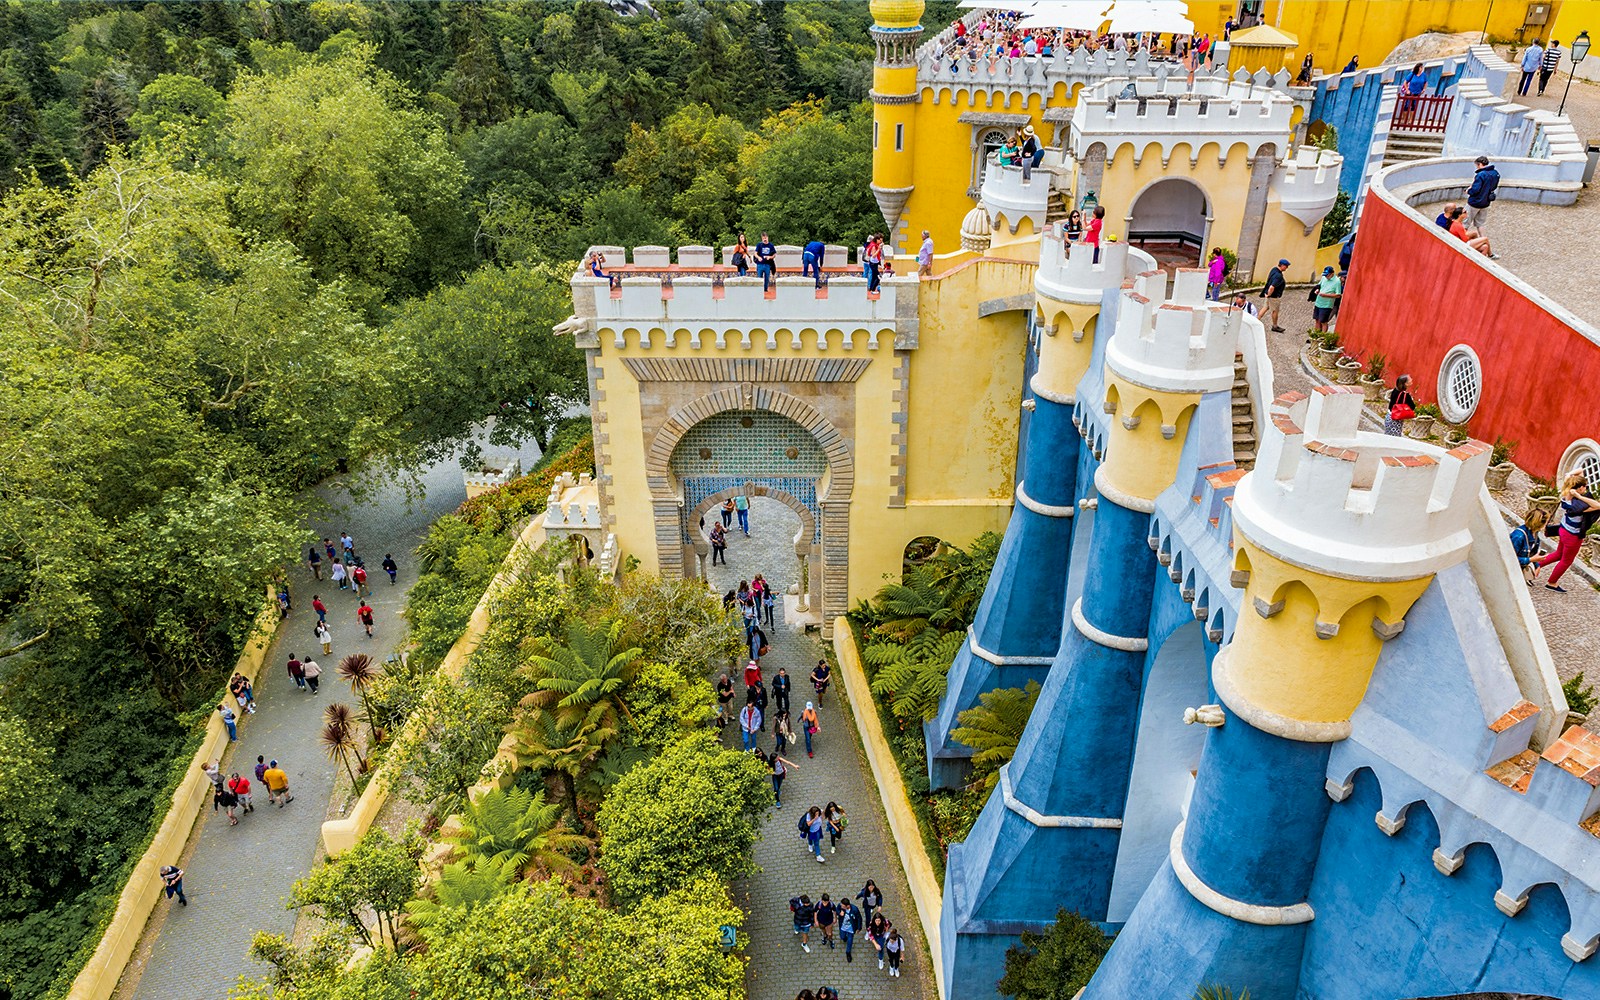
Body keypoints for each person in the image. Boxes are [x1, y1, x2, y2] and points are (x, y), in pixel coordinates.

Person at [1535, 474, 1600, 592]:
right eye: (1584, 486)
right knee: (1566, 561)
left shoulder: (1566, 496)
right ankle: (1552, 582)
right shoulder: (1577, 506)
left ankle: (1536, 564)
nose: (1586, 488)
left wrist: (1575, 492)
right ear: (1579, 488)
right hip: (1572, 536)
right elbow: (1597, 506)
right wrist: (1579, 496)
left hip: (1563, 530)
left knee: (1559, 554)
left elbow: (1576, 472)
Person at [1511, 509, 1550, 584]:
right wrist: (1531, 560)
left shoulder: (1535, 533)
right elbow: (1511, 559)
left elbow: (1532, 552)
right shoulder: (1518, 537)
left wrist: (1537, 565)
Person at [1466, 156, 1500, 231]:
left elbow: (1475, 189)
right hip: (1486, 202)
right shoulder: (1495, 173)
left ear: (1480, 164)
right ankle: (1483, 239)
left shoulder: (1481, 175)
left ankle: (1461, 240)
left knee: (1465, 222)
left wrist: (1468, 191)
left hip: (1475, 202)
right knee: (1480, 224)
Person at [1259, 258, 1288, 331]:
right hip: (1274, 296)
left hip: (1268, 294)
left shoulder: (1274, 269)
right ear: (1282, 265)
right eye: (1286, 266)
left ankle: (1256, 320)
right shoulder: (1278, 276)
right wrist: (1269, 294)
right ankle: (1275, 326)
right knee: (1275, 311)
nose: (1287, 268)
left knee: (1265, 307)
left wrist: (1267, 294)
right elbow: (1272, 287)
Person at [1311, 265, 1341, 334]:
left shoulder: (1337, 282)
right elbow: (1319, 285)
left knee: (1323, 321)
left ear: (1332, 274)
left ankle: (1322, 336)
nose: (1326, 277)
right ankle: (1316, 335)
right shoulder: (1324, 278)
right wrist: (1317, 290)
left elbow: (1338, 295)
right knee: (1317, 320)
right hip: (1318, 302)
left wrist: (1326, 295)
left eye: (1327, 275)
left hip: (1326, 305)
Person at [837, 893, 863, 963]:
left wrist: (859, 928)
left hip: (851, 928)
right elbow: (837, 910)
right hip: (842, 926)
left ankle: (848, 952)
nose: (841, 906)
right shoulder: (840, 906)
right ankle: (844, 938)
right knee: (842, 937)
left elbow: (859, 918)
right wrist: (839, 913)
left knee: (850, 940)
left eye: (843, 906)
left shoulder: (855, 909)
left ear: (847, 906)